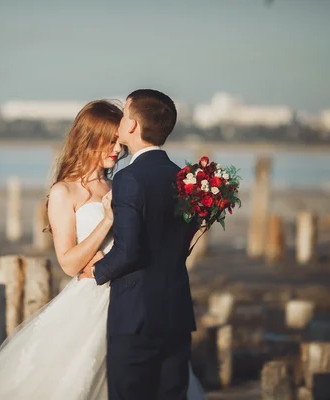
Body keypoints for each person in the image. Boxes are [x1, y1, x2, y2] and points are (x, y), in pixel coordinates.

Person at [0, 98, 204, 399]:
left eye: (119, 142)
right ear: (88, 140)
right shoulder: (65, 191)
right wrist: (106, 223)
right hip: (91, 300)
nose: (117, 149)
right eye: (109, 142)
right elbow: (69, 263)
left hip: (133, 296)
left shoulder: (123, 184)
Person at [85, 89, 199, 400]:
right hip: (176, 312)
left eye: (123, 116)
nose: (120, 123)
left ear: (133, 126)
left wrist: (94, 271)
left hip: (136, 317)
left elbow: (128, 251)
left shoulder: (129, 178)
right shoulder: (183, 178)